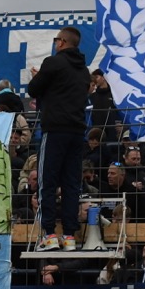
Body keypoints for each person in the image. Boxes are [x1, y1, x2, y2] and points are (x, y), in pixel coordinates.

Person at [27, 27, 90, 251]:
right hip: (77, 131)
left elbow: (33, 89)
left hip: (55, 130)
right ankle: (70, 236)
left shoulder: (53, 63)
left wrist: (38, 78)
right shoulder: (84, 70)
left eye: (56, 40)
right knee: (72, 184)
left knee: (48, 182)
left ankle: (50, 234)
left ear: (62, 42)